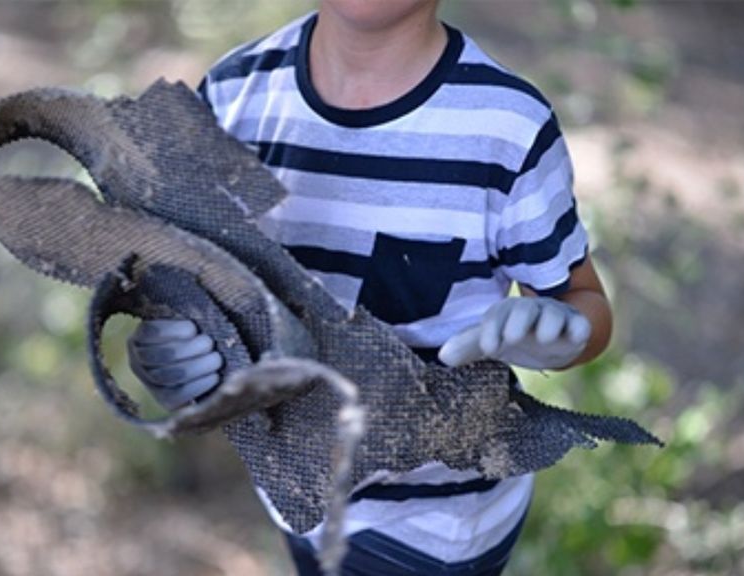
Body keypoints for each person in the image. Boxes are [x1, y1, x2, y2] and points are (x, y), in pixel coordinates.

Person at [126, 1, 612, 574]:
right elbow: (188, 281)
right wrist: (164, 348)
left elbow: (585, 302)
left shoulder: (507, 124)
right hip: (296, 494)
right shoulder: (233, 93)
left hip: (438, 526)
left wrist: (567, 334)